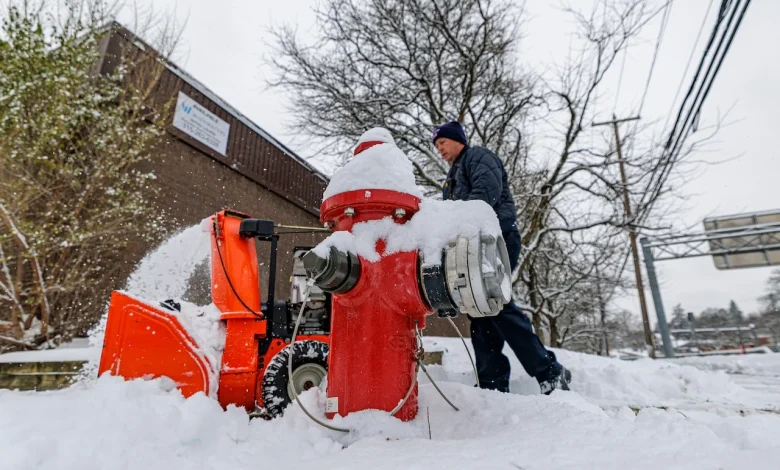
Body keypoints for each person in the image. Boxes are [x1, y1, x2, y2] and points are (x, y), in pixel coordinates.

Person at [433, 120, 572, 395]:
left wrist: (459, 224)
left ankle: (550, 371)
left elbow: (486, 195)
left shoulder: (478, 157)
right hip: (474, 244)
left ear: (458, 139)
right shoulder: (452, 177)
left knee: (495, 300)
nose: (440, 150)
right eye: (437, 146)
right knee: (481, 311)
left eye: (442, 143)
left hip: (496, 239)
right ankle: (492, 383)